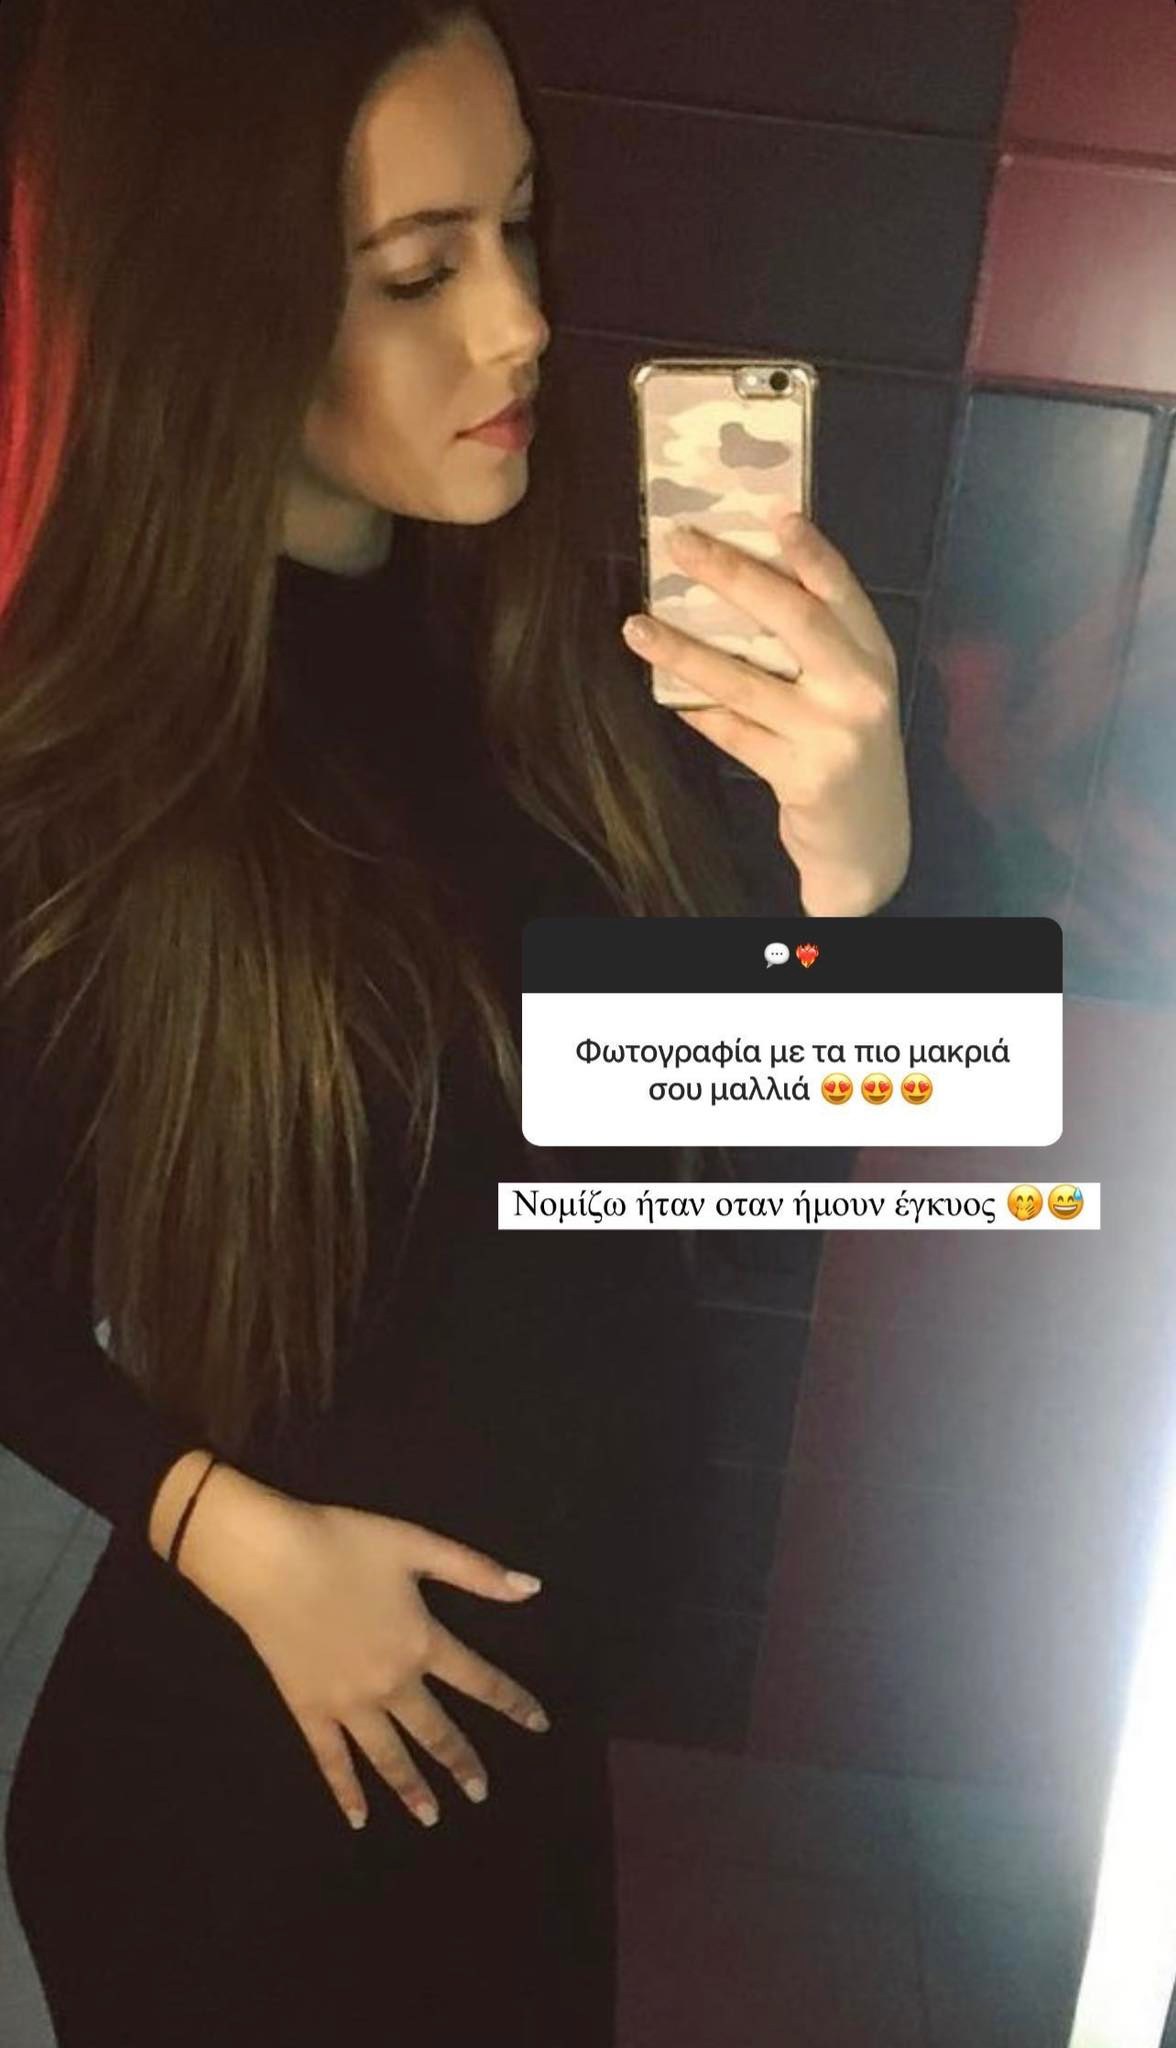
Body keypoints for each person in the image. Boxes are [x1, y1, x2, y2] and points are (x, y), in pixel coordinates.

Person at [0, 3, 910, 2041]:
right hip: (256, 1773)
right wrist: (224, 1534)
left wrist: (856, 876)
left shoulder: (559, 663)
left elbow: (742, 1193)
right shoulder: (85, 770)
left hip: (528, 1748)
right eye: (418, 272)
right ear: (211, 302)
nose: (521, 323)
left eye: (519, 224)